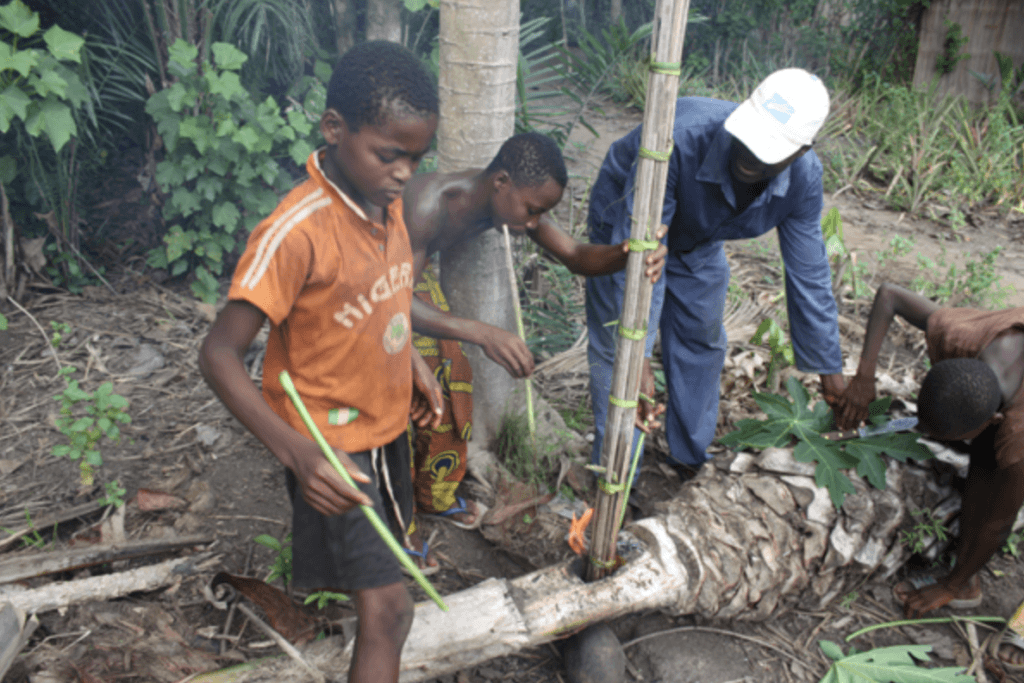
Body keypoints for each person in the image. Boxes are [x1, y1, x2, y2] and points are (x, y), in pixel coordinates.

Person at [198, 41, 444, 683]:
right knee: (390, 612)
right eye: (389, 155)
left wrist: (408, 358)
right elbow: (219, 354)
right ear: (334, 128)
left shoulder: (383, 205)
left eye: (416, 159)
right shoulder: (295, 231)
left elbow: (384, 296)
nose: (403, 174)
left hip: (382, 429)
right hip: (330, 448)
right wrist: (297, 453)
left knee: (379, 596)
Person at [401, 132, 668, 538]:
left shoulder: (512, 205)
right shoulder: (428, 205)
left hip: (405, 282)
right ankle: (394, 516)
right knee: (408, 395)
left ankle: (432, 495)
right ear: (501, 181)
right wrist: (482, 333)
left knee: (453, 381)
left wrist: (627, 254)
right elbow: (392, 302)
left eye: (539, 214)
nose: (531, 223)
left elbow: (576, 256)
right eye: (530, 210)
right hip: (368, 284)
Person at [586, 68, 846, 477]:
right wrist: (636, 359)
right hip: (630, 224)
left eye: (768, 149)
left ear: (800, 152)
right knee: (618, 354)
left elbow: (808, 273)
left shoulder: (803, 180)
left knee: (700, 341)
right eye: (749, 137)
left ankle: (688, 461)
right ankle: (617, 479)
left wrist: (830, 372)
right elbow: (638, 260)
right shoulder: (680, 140)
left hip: (700, 238)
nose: (749, 155)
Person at [835, 282, 1024, 618]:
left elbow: (998, 522)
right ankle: (963, 576)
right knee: (983, 470)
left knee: (994, 489)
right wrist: (865, 376)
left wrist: (950, 585)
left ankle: (962, 586)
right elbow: (889, 295)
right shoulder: (962, 337)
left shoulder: (1016, 434)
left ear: (994, 420)